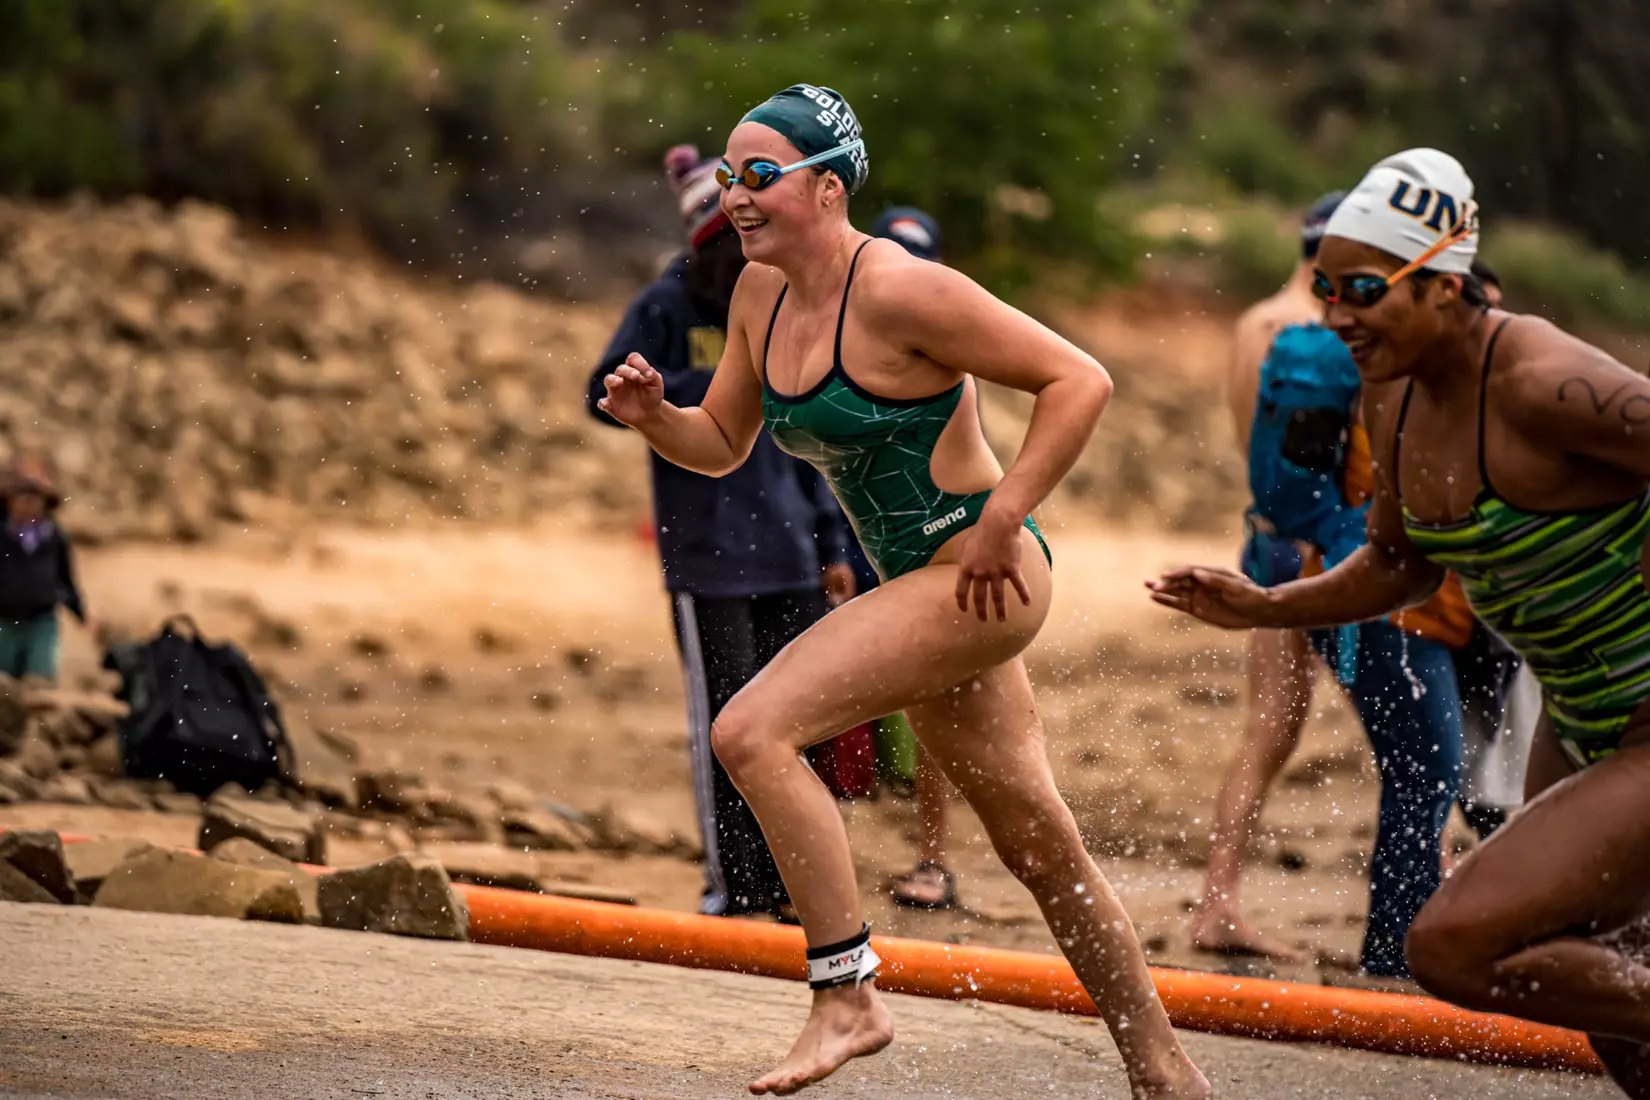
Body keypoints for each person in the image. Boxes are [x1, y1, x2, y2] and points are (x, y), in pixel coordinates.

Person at [600, 84, 1209, 1098]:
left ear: (828, 187)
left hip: (983, 572)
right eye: (730, 175)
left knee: (751, 731)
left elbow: (1079, 379)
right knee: (1038, 844)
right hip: (918, 587)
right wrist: (655, 415)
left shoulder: (903, 290)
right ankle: (1166, 1069)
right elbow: (721, 443)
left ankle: (847, 991)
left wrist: (1008, 513)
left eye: (761, 176)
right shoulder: (758, 295)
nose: (735, 196)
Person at [1150, 147, 1650, 1097]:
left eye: (1365, 287)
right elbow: (1397, 561)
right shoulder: (1393, 388)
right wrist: (1267, 605)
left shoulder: (1541, 378)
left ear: (1444, 282)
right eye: (1327, 284)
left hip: (1644, 716)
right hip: (1581, 723)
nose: (1336, 309)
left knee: (1457, 946)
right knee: (1598, 996)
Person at [1200, 191, 1478, 982]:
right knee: (1415, 751)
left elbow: (1262, 448)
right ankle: (1410, 913)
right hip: (1335, 540)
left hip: (1268, 534)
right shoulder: (1354, 332)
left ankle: (1219, 896)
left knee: (1269, 731)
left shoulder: (1260, 325)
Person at [586, 144, 857, 923]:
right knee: (728, 727)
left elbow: (810, 443)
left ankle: (796, 889)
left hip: (792, 553)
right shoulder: (668, 306)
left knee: (795, 727)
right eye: (721, 247)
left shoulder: (783, 304)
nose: (736, 261)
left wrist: (833, 548)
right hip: (707, 556)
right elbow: (598, 393)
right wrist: (693, 394)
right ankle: (734, 888)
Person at [0, 459, 90, 682]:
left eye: (35, 496)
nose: (28, 502)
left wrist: (82, 615)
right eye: (21, 495)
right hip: (4, 622)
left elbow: (66, 581)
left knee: (39, 683)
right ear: (8, 501)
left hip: (41, 622)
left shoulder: (55, 538)